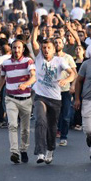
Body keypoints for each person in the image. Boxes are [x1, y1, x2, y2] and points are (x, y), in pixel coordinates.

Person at [30, 27, 76, 164]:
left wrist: (66, 80)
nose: (46, 50)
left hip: (55, 99)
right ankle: (40, 152)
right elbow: (33, 42)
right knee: (40, 121)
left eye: (48, 47)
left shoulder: (60, 61)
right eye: (44, 47)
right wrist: (35, 26)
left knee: (51, 127)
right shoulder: (38, 58)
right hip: (40, 96)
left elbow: (72, 73)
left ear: (53, 49)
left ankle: (50, 149)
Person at [0, 39, 35, 164]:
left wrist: (26, 84)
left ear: (23, 49)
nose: (16, 50)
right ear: (11, 49)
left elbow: (34, 76)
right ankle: (14, 152)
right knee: (12, 125)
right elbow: (2, 77)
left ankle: (23, 149)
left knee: (25, 129)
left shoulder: (28, 61)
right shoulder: (6, 63)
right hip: (11, 98)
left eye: (19, 48)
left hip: (26, 99)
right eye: (14, 48)